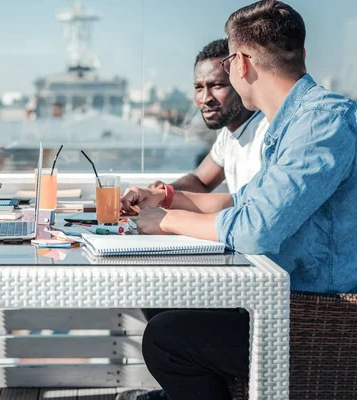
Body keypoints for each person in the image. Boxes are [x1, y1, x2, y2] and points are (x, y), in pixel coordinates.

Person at [119, 1, 357, 399]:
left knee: (166, 338)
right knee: (171, 315)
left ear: (241, 64)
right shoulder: (296, 125)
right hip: (285, 303)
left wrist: (165, 221)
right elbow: (242, 202)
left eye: (226, 65)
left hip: (319, 321)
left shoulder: (321, 124)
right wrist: (165, 199)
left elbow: (255, 231)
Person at [149, 38, 268, 195]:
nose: (205, 98)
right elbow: (200, 181)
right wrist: (163, 192)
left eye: (217, 85)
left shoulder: (267, 132)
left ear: (240, 82)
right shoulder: (229, 134)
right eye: (199, 88)